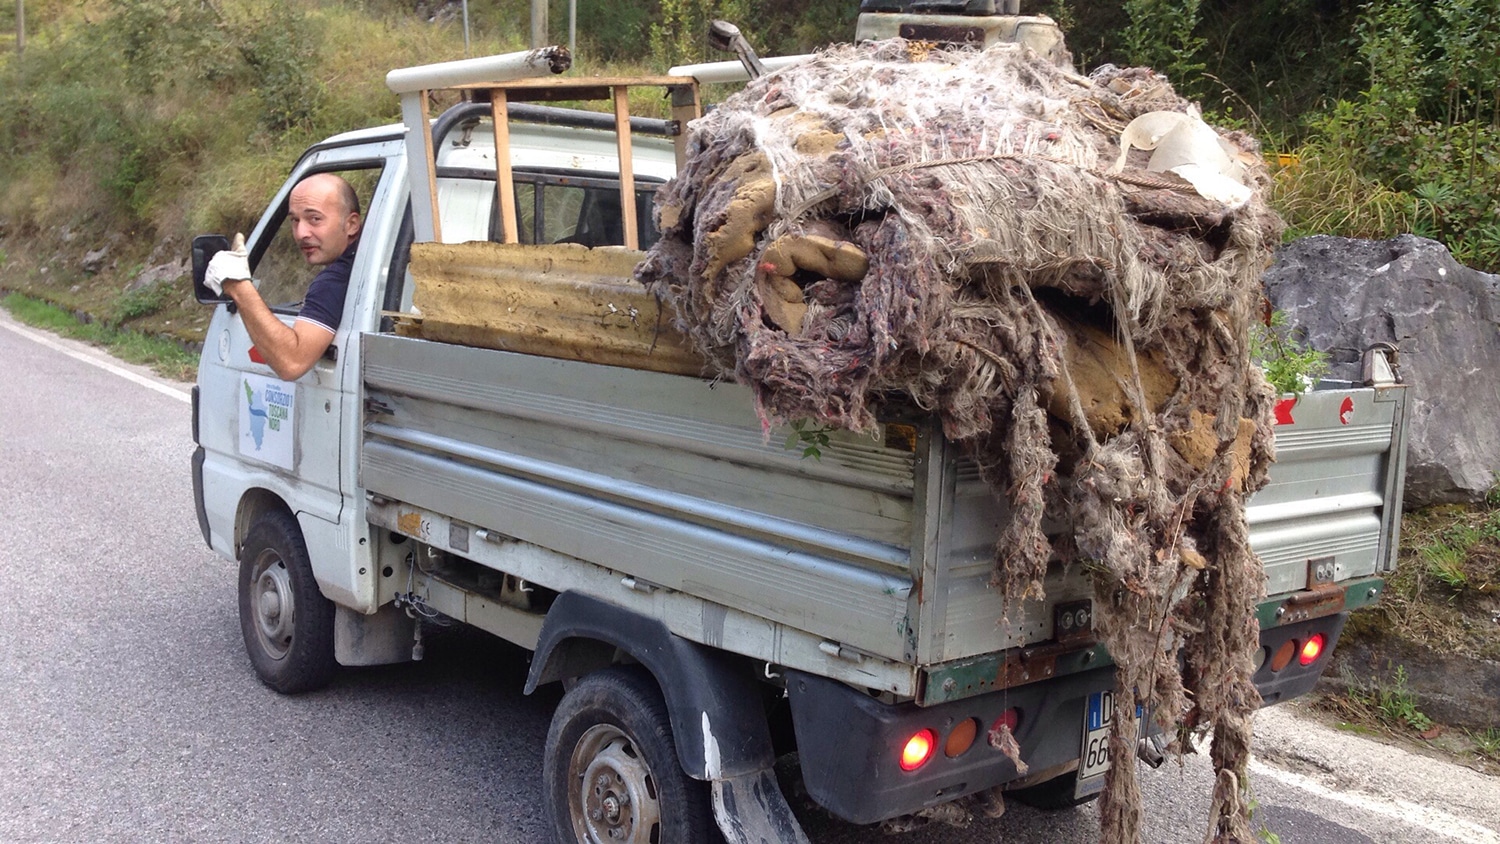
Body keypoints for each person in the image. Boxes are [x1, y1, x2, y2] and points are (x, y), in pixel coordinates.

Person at [204, 172, 362, 381]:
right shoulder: (367, 265)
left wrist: (237, 285)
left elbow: (292, 362)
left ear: (351, 224)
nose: (301, 233)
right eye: (295, 220)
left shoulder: (336, 281)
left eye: (314, 219)